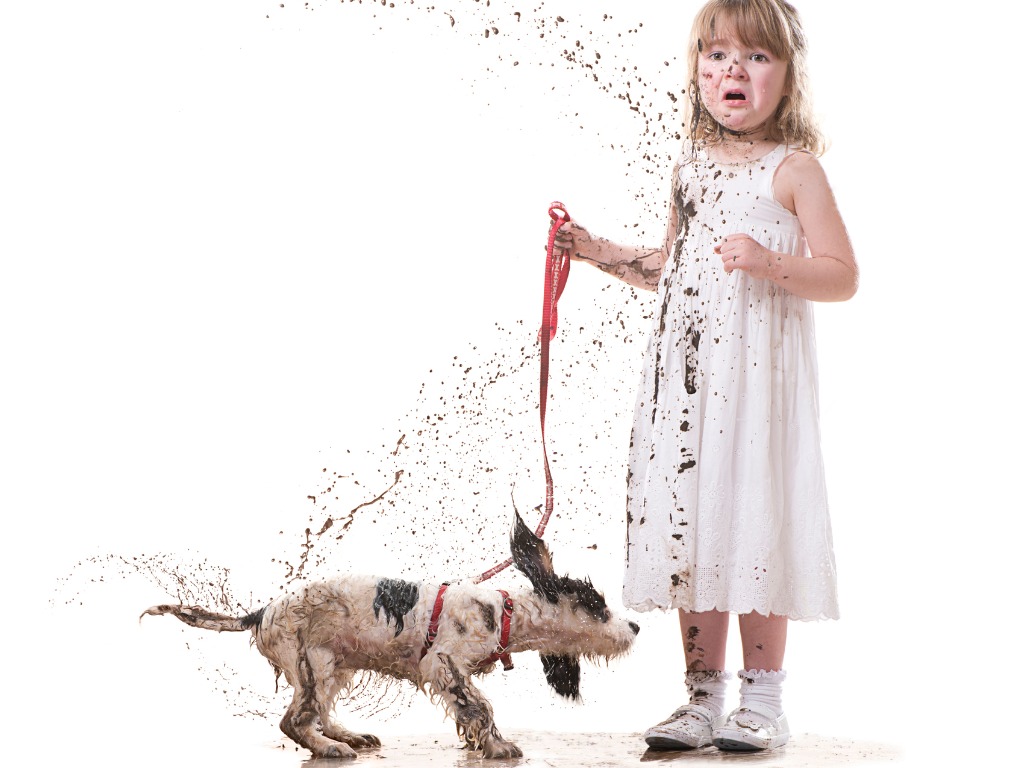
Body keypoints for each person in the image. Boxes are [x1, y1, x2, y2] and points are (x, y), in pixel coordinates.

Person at [554, 0, 857, 753]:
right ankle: (699, 698)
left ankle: (763, 699)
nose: (733, 71)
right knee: (692, 520)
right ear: (696, 70)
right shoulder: (688, 167)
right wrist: (596, 251)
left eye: (755, 58)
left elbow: (843, 275)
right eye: (717, 56)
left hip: (756, 389)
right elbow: (674, 266)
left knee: (751, 517)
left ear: (787, 78)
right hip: (689, 386)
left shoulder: (795, 171)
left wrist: (769, 260)